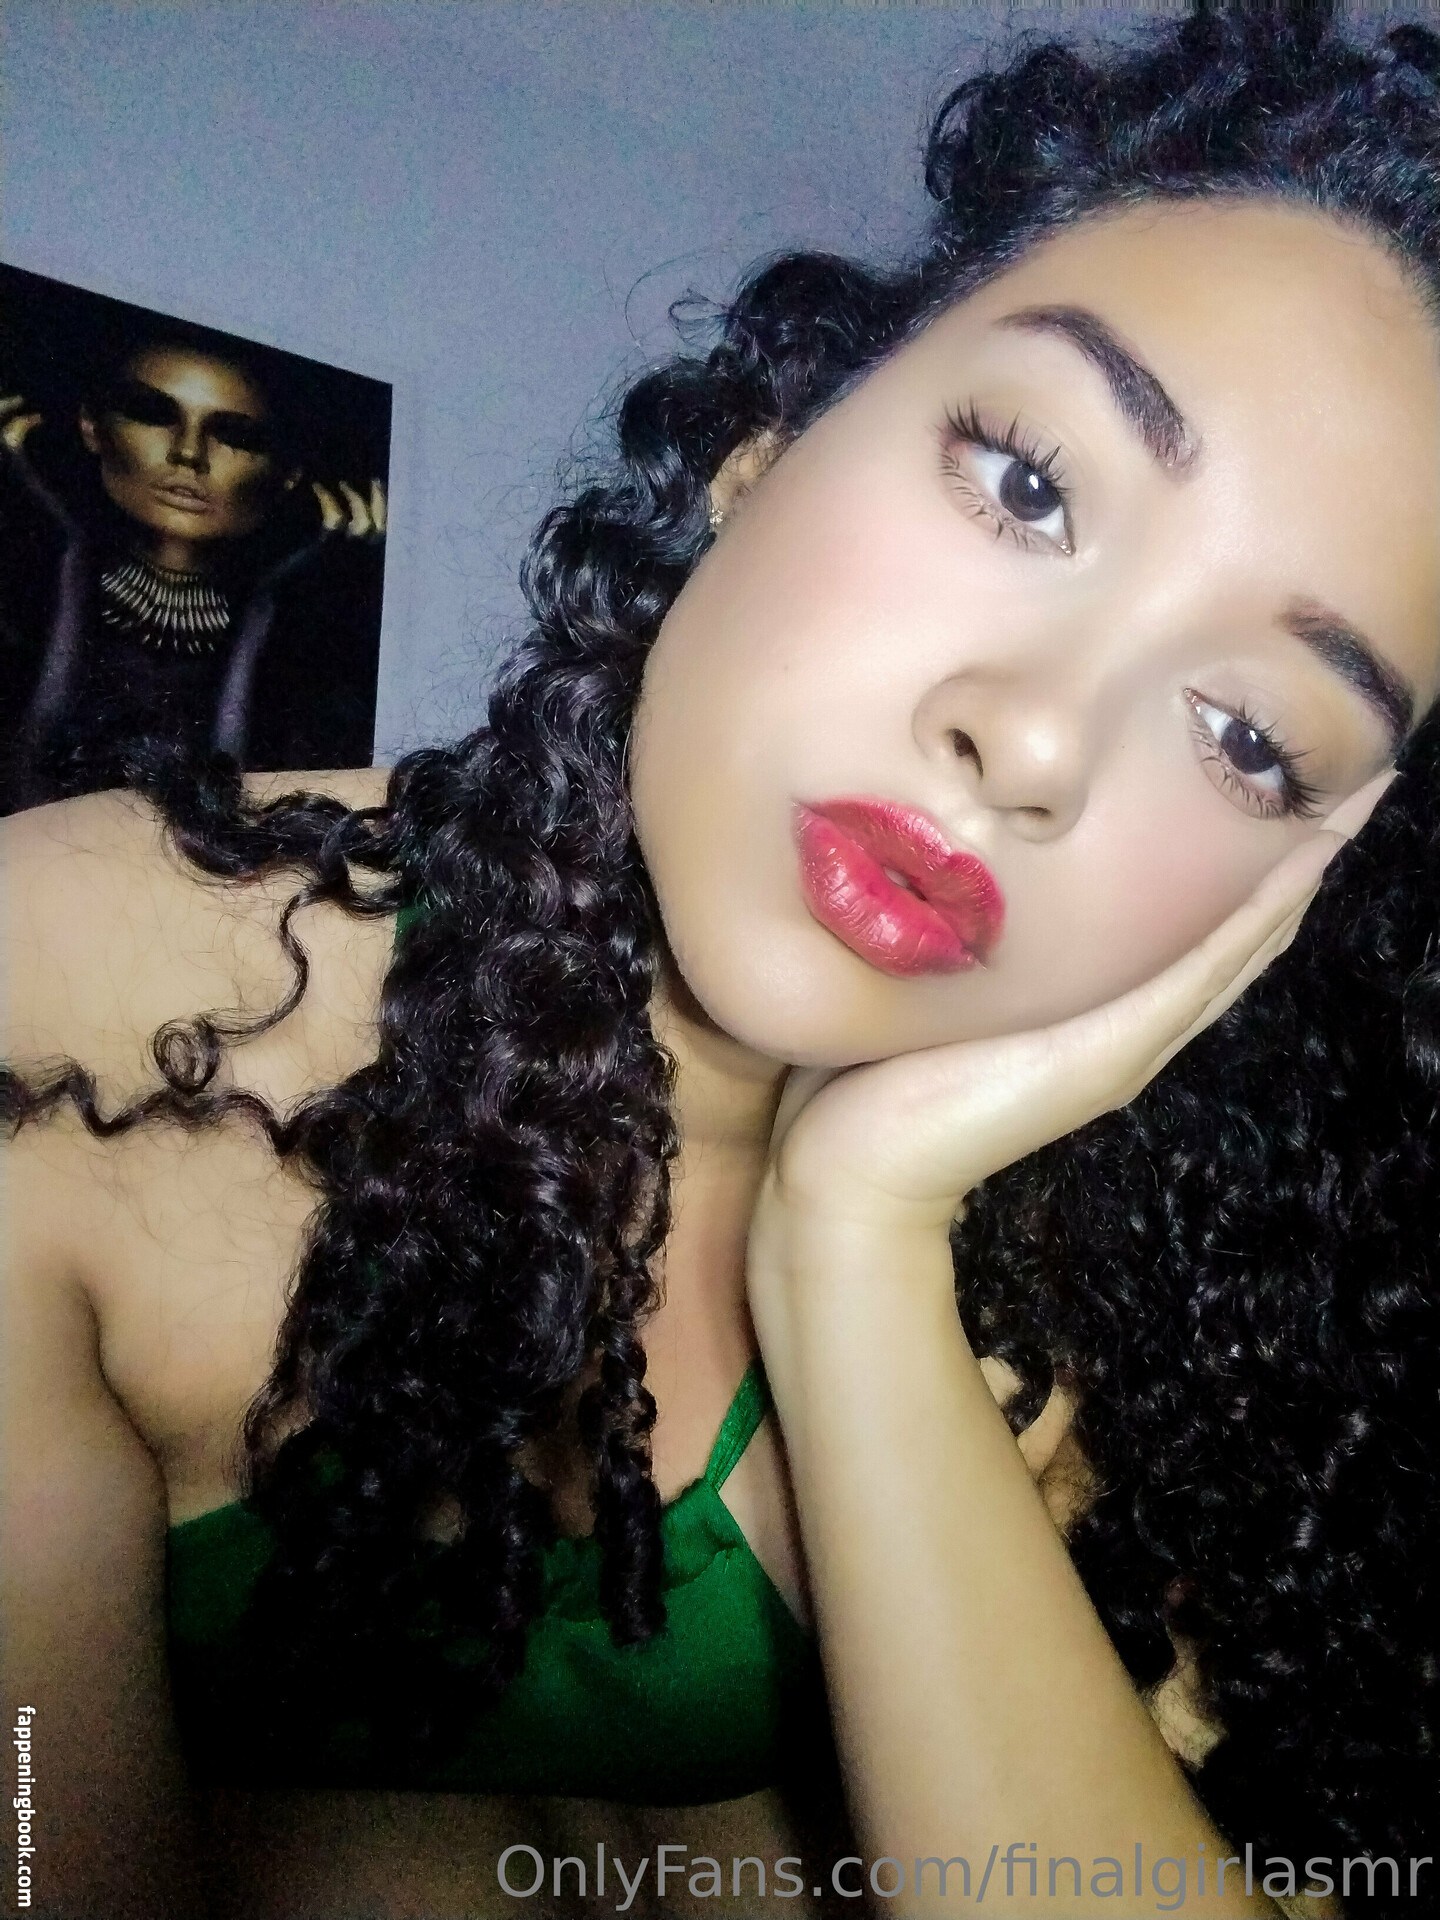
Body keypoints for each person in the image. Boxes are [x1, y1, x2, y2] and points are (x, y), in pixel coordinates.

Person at [5, 7, 1440, 1917]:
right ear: (764, 455)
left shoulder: (1159, 1282)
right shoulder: (81, 1002)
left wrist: (859, 1239)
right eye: (1030, 484)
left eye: (1251, 736)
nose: (1034, 738)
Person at [0, 319, 385, 812]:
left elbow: (242, 817)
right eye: (152, 413)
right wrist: (67, 558)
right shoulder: (23, 601)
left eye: (236, 436)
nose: (188, 454)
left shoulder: (308, 653)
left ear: (289, 473)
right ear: (91, 427)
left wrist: (268, 609)